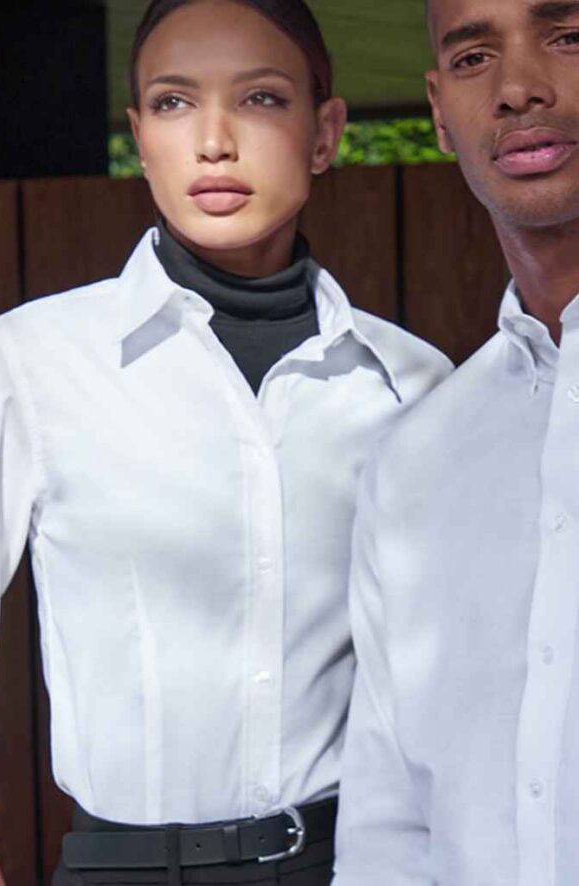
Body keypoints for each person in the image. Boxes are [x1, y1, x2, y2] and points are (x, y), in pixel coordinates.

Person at [0, 1, 450, 884]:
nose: (213, 142)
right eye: (174, 103)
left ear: (325, 133)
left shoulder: (415, 385)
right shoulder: (25, 364)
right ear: (139, 138)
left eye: (259, 98)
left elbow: (457, 686)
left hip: (361, 861)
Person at [333, 0, 579, 883]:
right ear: (439, 112)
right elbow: (387, 825)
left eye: (568, 37)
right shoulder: (416, 458)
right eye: (474, 58)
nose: (517, 89)